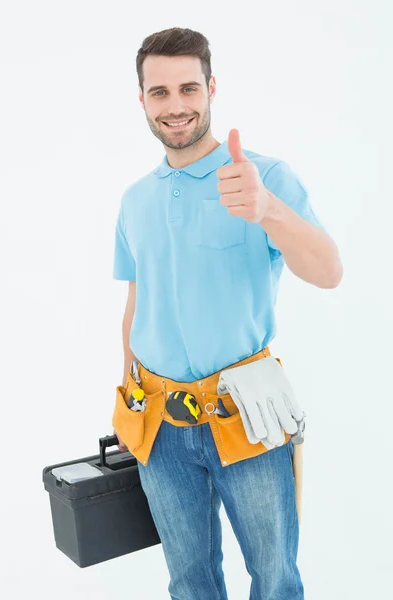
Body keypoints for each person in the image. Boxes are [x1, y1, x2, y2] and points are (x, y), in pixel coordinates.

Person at [112, 27, 343, 600]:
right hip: (159, 425)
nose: (176, 105)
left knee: (274, 578)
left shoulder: (261, 178)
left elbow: (329, 271)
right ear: (141, 99)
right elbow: (139, 302)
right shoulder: (135, 199)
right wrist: (129, 401)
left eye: (188, 87)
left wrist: (269, 212)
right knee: (189, 580)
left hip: (246, 414)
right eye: (159, 92)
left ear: (211, 88)